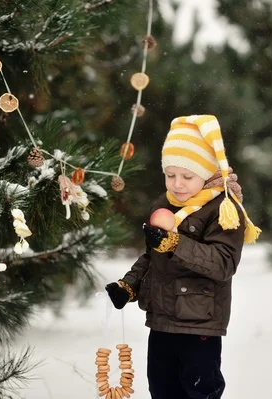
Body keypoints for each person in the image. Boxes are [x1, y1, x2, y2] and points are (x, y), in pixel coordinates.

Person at [105, 115, 261, 399]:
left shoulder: (223, 209)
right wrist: (129, 286)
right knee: (162, 389)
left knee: (199, 390)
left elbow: (223, 263)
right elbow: (152, 257)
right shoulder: (164, 205)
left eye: (187, 176)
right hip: (162, 321)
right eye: (170, 174)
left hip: (199, 324)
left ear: (205, 172)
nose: (177, 184)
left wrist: (175, 244)